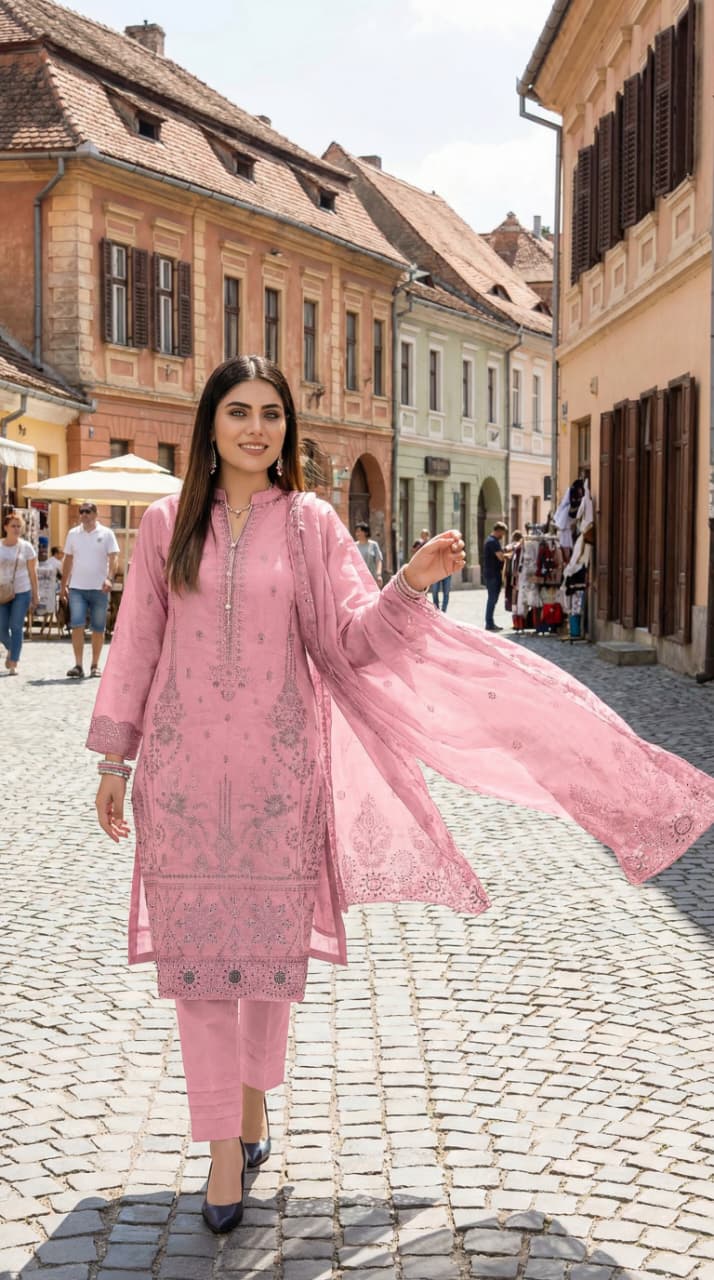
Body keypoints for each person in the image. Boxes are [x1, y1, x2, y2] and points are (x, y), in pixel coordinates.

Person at [87, 355, 714, 1239]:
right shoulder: (164, 526)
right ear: (210, 425)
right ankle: (222, 1148)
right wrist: (116, 763)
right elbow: (135, 645)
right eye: (238, 412)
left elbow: (352, 641)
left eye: (271, 413)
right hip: (184, 781)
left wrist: (411, 583)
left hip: (277, 778)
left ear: (287, 430)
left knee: (267, 960)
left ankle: (252, 1101)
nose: (255, 428)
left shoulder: (311, 526)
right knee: (199, 968)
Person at [60, 501, 119, 678]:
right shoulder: (73, 534)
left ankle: (95, 665)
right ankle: (78, 665)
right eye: (81, 512)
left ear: (95, 514)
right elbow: (68, 560)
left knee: (98, 628)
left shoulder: (107, 534)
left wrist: (109, 578)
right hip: (77, 587)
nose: (84, 514)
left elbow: (114, 558)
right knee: (77, 624)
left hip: (100, 588)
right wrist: (63, 585)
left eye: (87, 511)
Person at [0, 511, 39, 674]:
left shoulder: (26, 547)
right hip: (2, 592)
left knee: (16, 626)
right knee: (1, 628)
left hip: (22, 591)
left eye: (19, 526)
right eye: (13, 526)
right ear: (5, 527)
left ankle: (14, 661)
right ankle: (11, 649)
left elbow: (32, 572)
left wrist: (36, 595)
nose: (16, 529)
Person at [482, 520, 510, 632]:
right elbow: (500, 557)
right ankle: (489, 623)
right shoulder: (492, 542)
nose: (503, 536)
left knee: (492, 599)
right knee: (492, 599)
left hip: (492, 573)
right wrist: (508, 556)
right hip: (493, 574)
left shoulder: (491, 541)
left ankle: (490, 622)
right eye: (502, 533)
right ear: (498, 531)